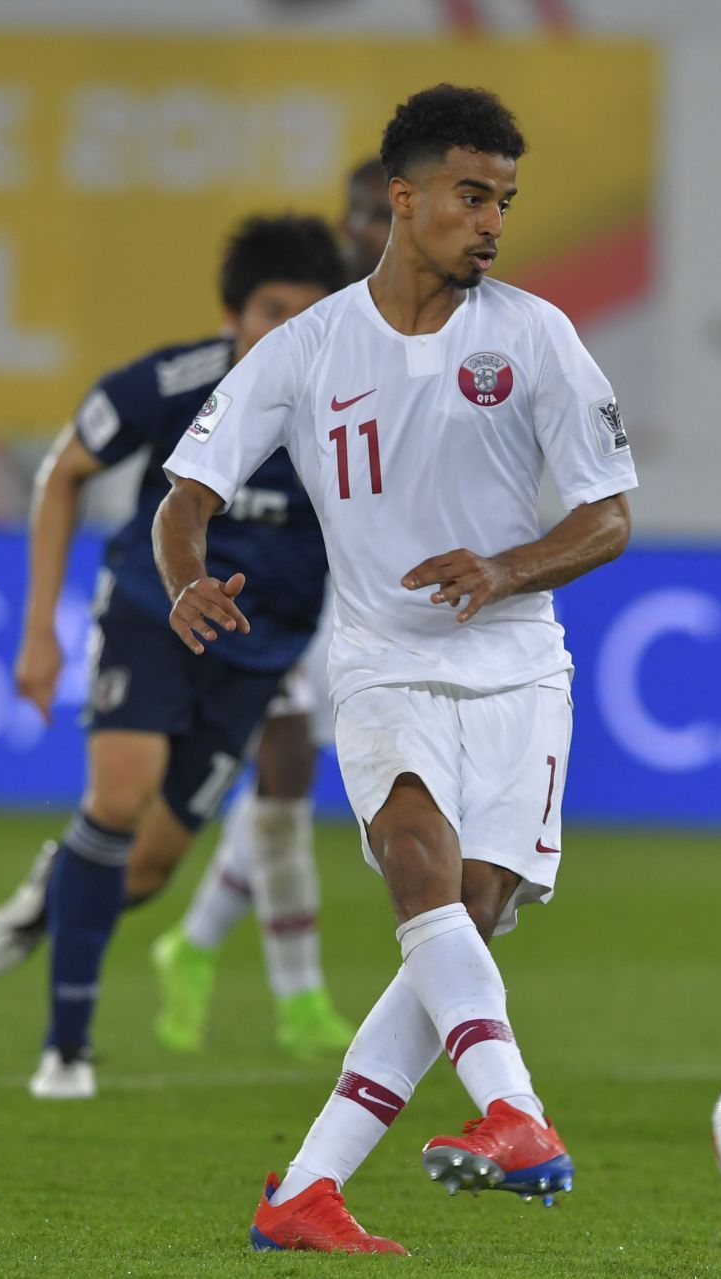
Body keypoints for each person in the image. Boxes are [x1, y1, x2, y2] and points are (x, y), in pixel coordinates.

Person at [155, 85, 636, 1254]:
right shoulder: (308, 347)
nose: (492, 223)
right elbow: (190, 494)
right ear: (404, 198)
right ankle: (516, 1114)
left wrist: (508, 567)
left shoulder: (535, 337)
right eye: (473, 197)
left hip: (520, 674)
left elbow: (611, 517)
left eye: (507, 202)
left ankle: (307, 1190)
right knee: (416, 862)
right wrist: (187, 579)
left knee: (465, 921)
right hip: (381, 665)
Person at [0, 214, 353, 1099]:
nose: (284, 331)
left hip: (260, 654)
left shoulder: (348, 405)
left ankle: (54, 881)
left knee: (142, 869)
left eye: (307, 314)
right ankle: (66, 1051)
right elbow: (62, 469)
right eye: (269, 310)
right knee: (117, 795)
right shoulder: (175, 382)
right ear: (232, 312)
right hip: (153, 614)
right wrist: (39, 630)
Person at [142, 162, 392, 1057]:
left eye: (378, 213)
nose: (369, 229)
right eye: (361, 213)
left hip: (355, 584)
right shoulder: (325, 321)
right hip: (290, 593)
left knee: (289, 783)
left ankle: (195, 944)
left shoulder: (418, 318)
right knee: (285, 773)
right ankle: (298, 998)